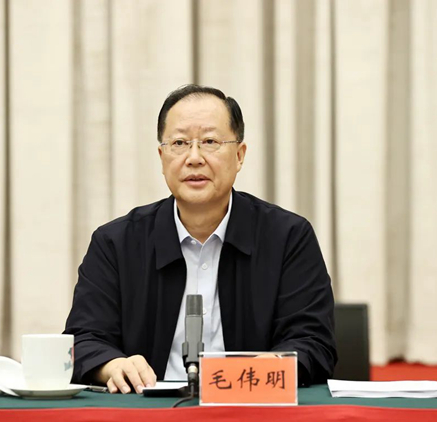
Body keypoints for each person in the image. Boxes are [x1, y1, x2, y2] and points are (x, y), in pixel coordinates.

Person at [64, 84, 336, 394]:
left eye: (210, 142)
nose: (194, 158)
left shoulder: (288, 238)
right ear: (162, 156)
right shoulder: (116, 243)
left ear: (239, 155)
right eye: (179, 143)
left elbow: (314, 342)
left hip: (250, 406)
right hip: (147, 410)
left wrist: (268, 366)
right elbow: (83, 339)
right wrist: (112, 365)